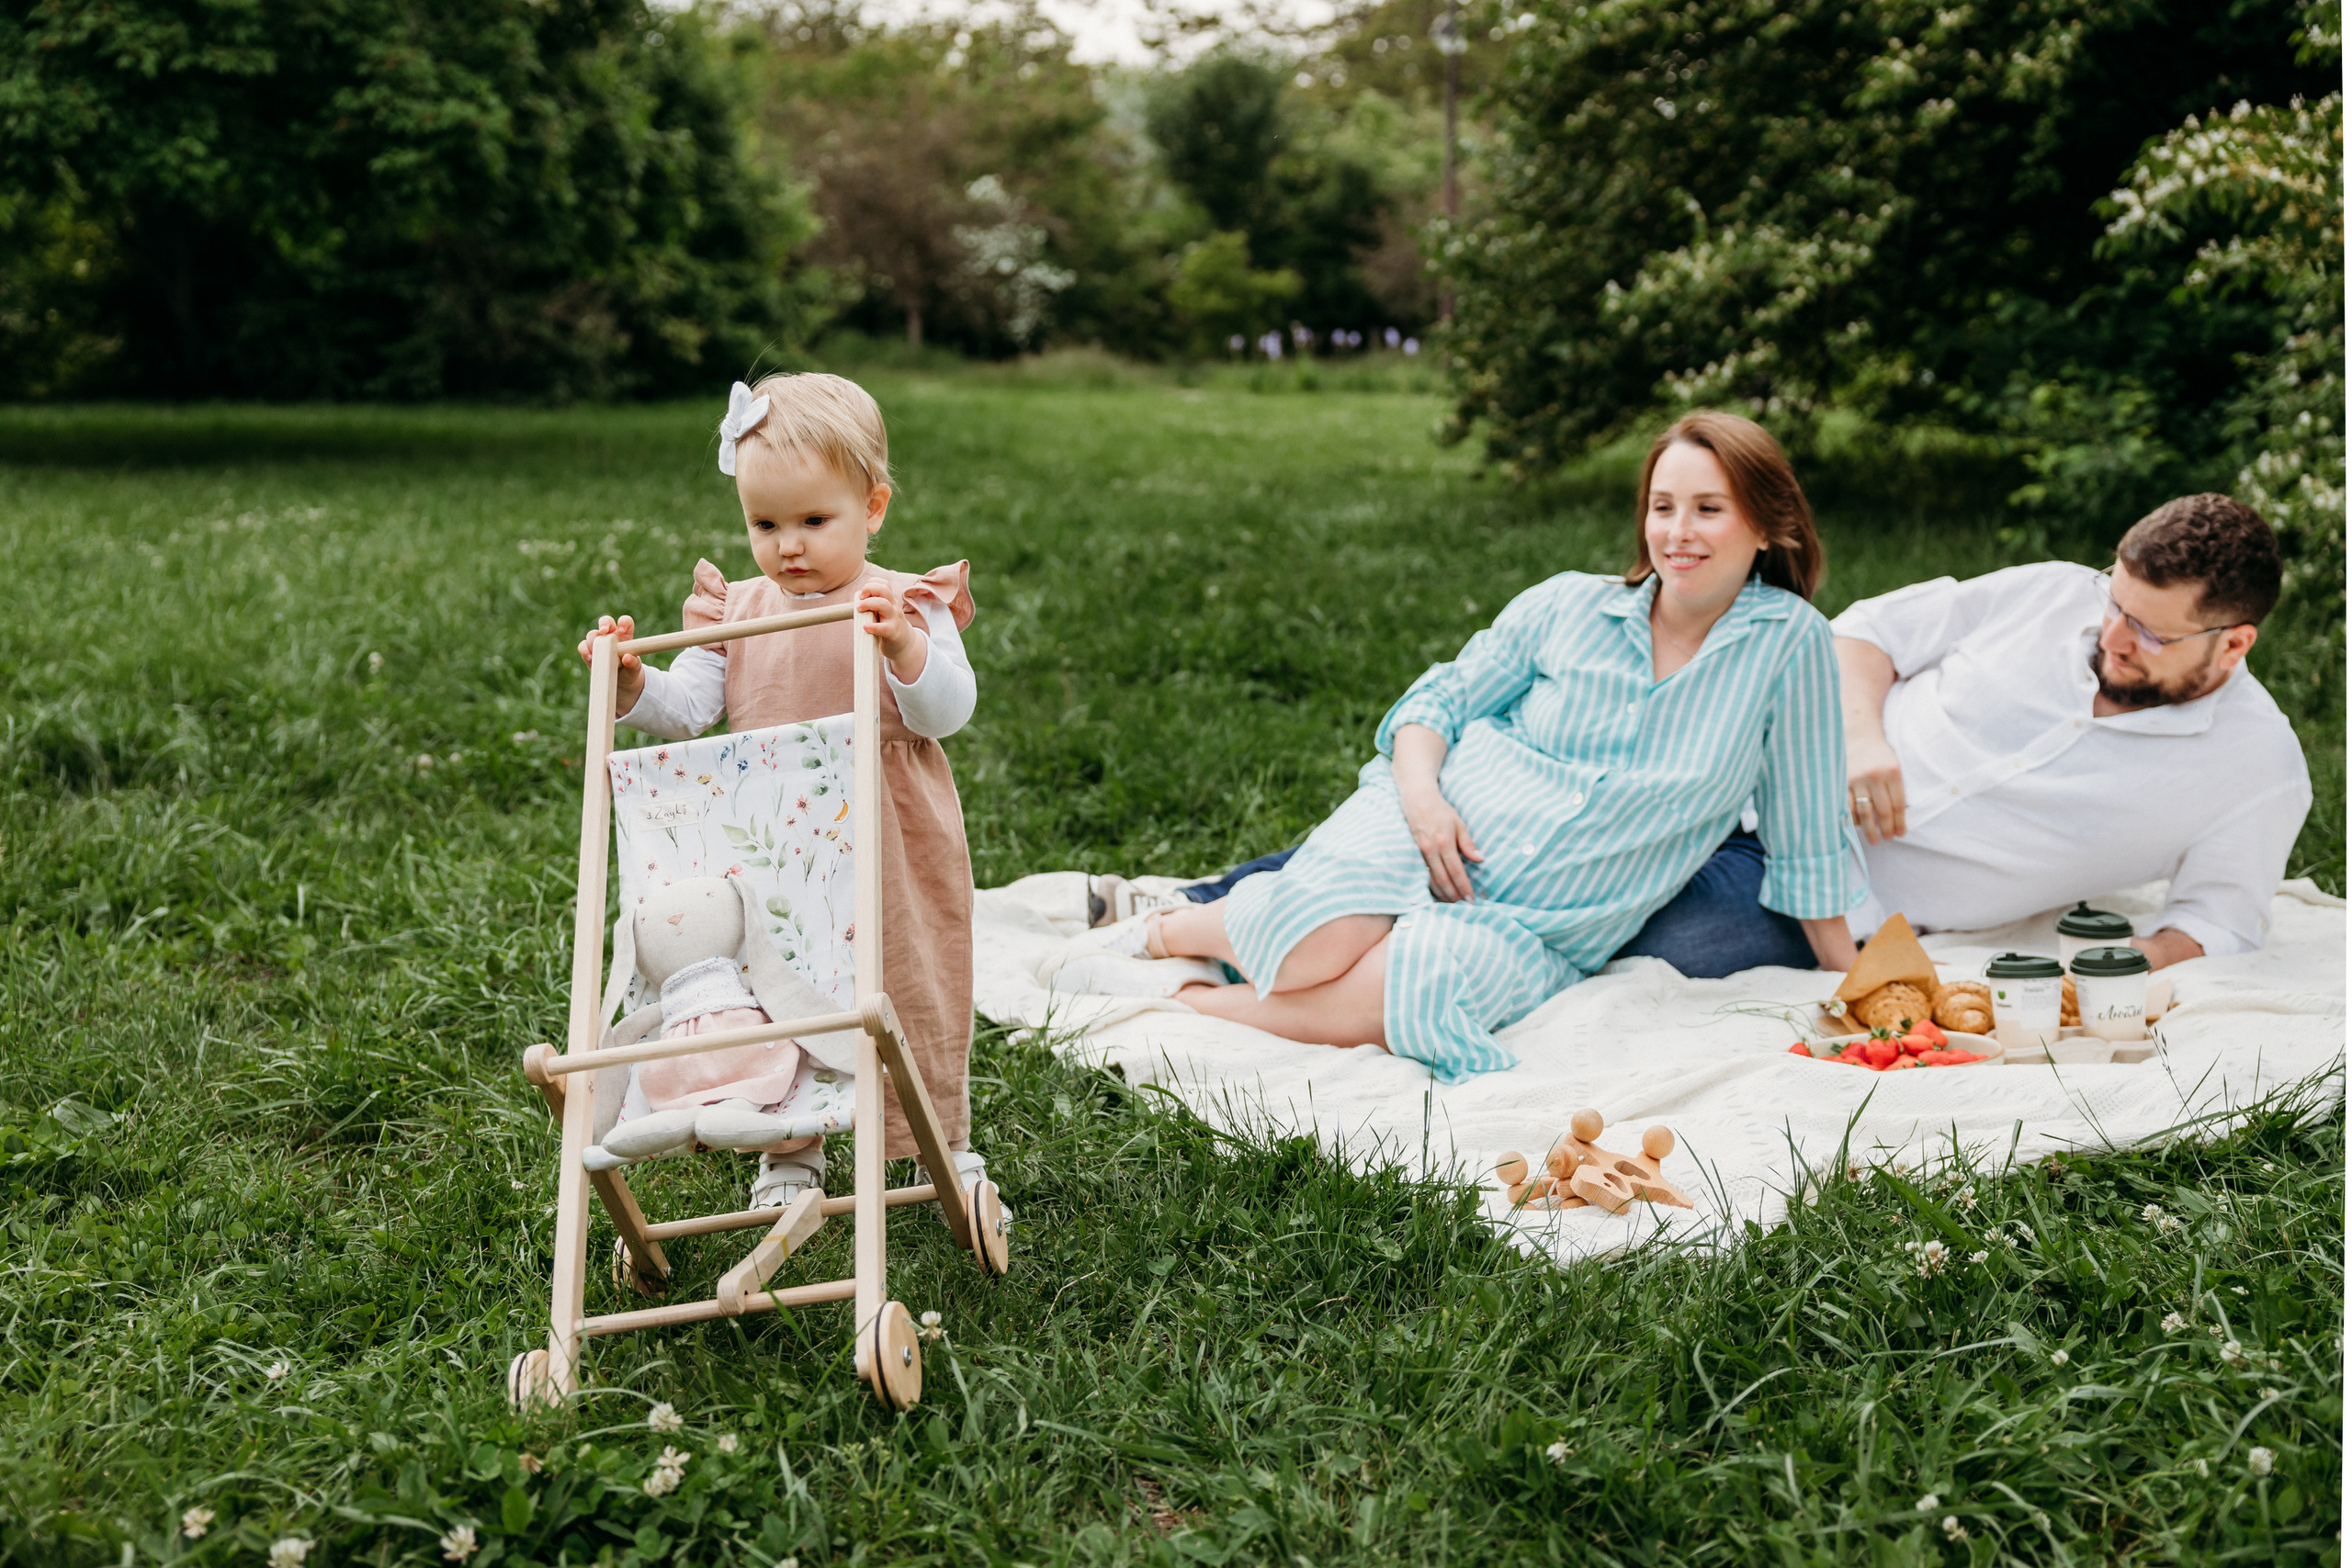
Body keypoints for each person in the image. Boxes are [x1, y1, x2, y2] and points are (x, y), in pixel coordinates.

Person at [1046, 412, 1863, 1081]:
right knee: (1316, 940)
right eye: (1663, 507)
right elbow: (1434, 703)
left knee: (1410, 992)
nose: (1678, 532)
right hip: (1429, 819)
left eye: (1708, 509)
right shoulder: (1566, 606)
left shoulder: (1790, 647)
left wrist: (1857, 989)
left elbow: (1806, 836)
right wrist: (1424, 802)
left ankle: (1178, 1000)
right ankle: (1165, 934)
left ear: (1768, 525)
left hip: (1538, 923)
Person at [581, 372, 992, 1209]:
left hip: (887, 832)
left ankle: (942, 1143)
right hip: (776, 836)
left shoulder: (903, 601)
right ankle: (791, 1145)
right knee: (782, 986)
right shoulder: (736, 611)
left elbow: (947, 711)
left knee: (910, 982)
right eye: (765, 525)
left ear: (872, 507)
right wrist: (633, 687)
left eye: (813, 521)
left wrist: (906, 650)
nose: (788, 546)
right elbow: (688, 709)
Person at [1836, 492, 2309, 964]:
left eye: (2149, 634)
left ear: (2234, 645)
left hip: (1837, 917)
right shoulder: (2052, 591)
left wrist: (2110, 965)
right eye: (2114, 603)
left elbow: (2220, 924)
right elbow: (1863, 632)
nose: (2113, 638)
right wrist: (1860, 740)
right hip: (1794, 775)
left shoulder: (2258, 764)